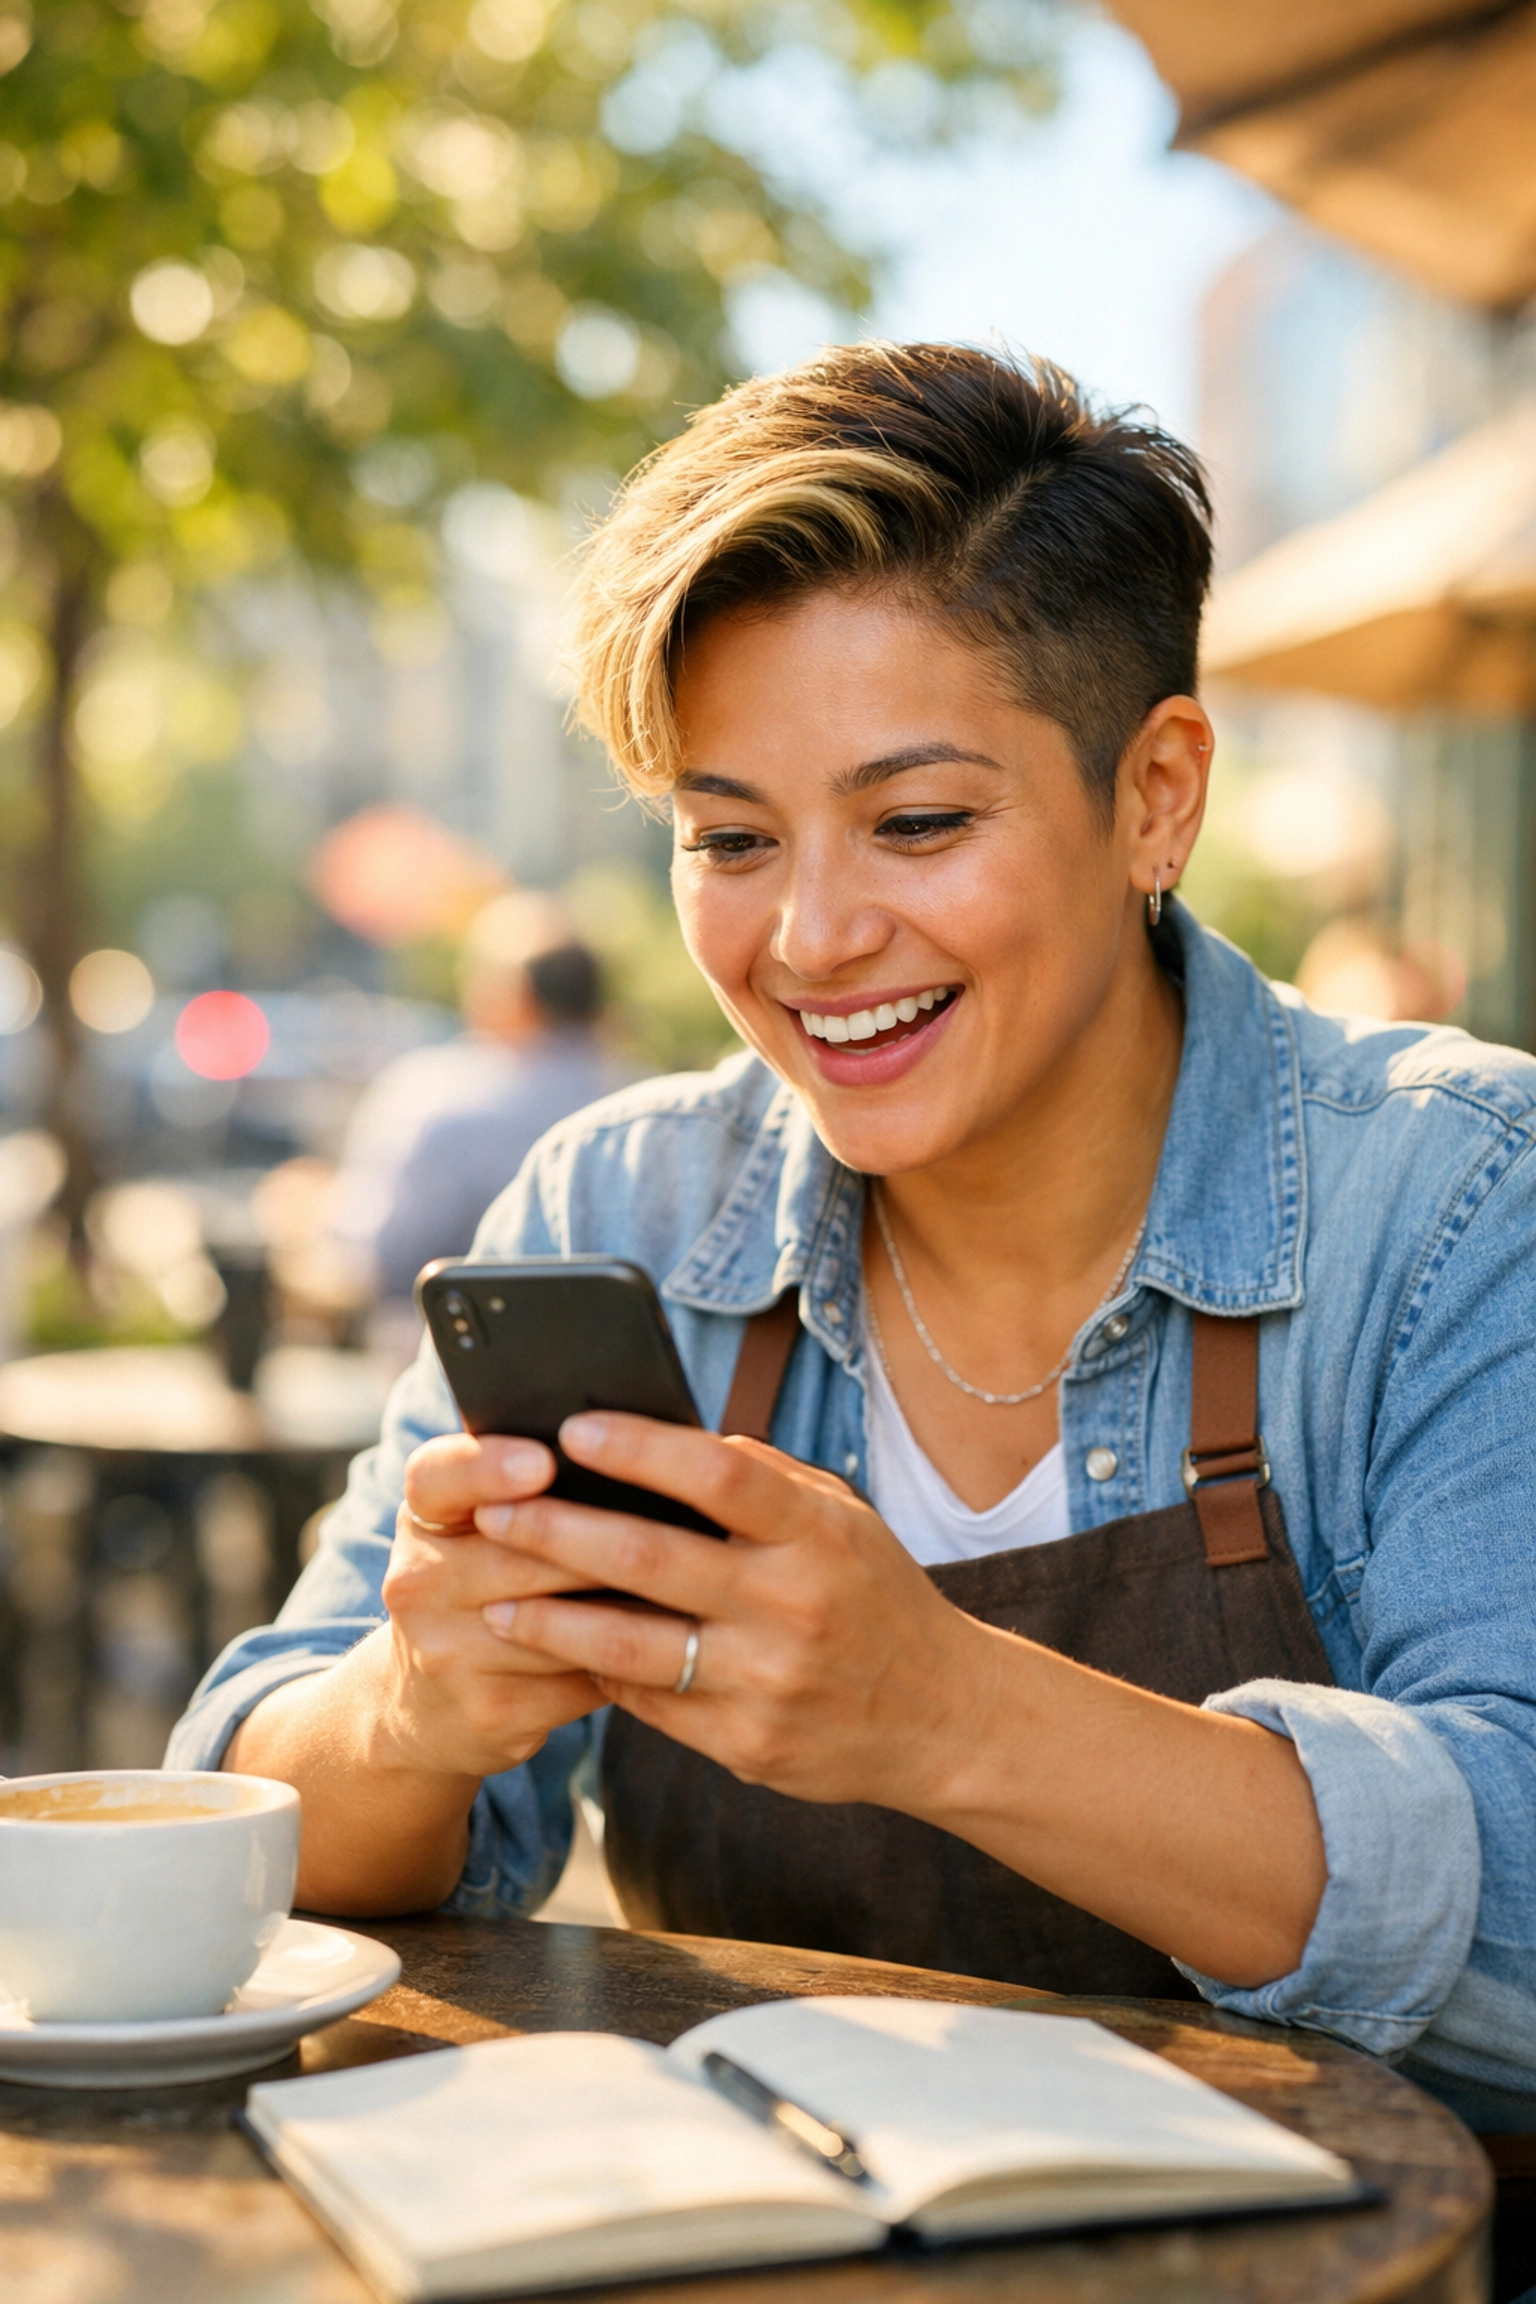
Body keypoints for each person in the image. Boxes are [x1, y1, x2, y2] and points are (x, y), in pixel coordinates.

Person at [170, 345, 1536, 2140]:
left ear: (1155, 796)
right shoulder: (621, 1209)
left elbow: (1520, 1905)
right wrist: (410, 1708)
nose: (811, 937)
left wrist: (944, 1709)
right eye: (731, 836)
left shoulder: (1458, 1203)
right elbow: (247, 1816)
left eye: (918, 822)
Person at [331, 892, 629, 1304]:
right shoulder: (648, 1105)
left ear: (515, 994)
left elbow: (378, 1259)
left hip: (449, 1335)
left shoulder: (436, 1099)